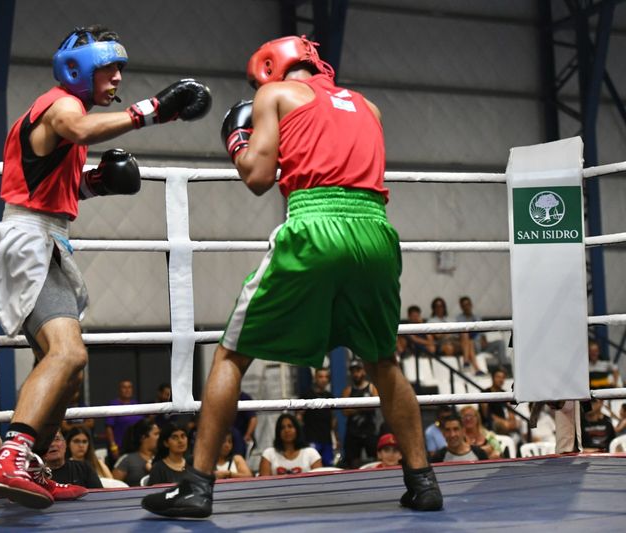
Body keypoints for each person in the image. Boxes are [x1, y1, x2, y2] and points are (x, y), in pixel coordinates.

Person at [142, 35, 442, 518]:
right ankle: (423, 481)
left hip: (315, 223)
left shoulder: (274, 96)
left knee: (230, 354)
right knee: (383, 361)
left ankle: (197, 485)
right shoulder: (368, 106)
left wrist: (238, 141)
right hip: (377, 233)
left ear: (269, 69)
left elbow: (258, 177)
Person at [0, 25, 211, 509]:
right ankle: (11, 457)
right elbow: (78, 130)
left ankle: (30, 465)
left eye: (120, 70)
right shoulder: (64, 106)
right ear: (79, 70)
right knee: (68, 354)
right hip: (29, 242)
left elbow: (52, 189)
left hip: (45, 238)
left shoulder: (64, 120)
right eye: (109, 69)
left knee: (68, 369)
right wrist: (153, 110)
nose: (117, 78)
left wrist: (97, 184)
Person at [429, 297, 482, 376]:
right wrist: (449, 332)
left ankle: (467, 364)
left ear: (444, 307)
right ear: (434, 308)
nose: (440, 308)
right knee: (462, 344)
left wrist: (449, 332)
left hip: (455, 340)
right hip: (443, 343)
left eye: (441, 306)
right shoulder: (431, 321)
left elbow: (458, 332)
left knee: (468, 339)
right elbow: (437, 335)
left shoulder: (451, 319)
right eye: (437, 306)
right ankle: (475, 368)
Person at [341, 359, 379, 468]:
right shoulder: (348, 390)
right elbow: (345, 411)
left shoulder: (371, 387)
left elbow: (375, 405)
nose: (356, 374)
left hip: (369, 430)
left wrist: (355, 407)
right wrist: (364, 406)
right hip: (353, 432)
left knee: (375, 459)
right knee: (353, 463)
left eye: (358, 370)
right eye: (353, 371)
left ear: (364, 371)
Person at [298, 367, 338, 466]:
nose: (323, 379)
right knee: (312, 468)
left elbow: (333, 418)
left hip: (327, 440)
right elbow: (299, 417)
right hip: (311, 439)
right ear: (315, 378)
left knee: (329, 468)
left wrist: (335, 438)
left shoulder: (329, 396)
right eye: (320, 377)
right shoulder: (306, 395)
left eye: (326, 377)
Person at [105, 380, 146, 462]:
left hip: (136, 448)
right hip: (119, 448)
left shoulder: (137, 405)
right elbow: (109, 428)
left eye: (129, 387)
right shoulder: (113, 405)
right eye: (124, 387)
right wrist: (113, 447)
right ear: (119, 390)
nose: (127, 390)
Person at [112, 419, 159, 487]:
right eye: (156, 434)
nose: (160, 437)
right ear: (143, 437)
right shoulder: (127, 460)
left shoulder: (163, 458)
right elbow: (112, 487)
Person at [479, 369, 518, 435]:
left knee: (519, 423)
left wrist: (512, 421)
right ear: (493, 378)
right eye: (498, 377)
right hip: (490, 423)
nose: (501, 380)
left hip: (504, 422)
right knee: (501, 426)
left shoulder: (505, 393)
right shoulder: (485, 393)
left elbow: (510, 410)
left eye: (503, 377)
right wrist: (504, 422)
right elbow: (487, 414)